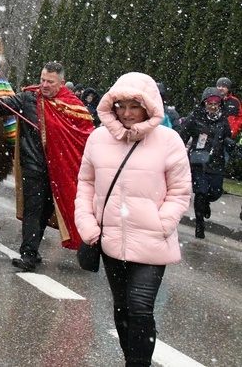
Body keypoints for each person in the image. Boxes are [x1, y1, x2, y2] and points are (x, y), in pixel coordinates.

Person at [74, 72, 191, 366]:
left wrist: (161, 224)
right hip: (111, 241)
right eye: (121, 105)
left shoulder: (169, 140)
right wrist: (88, 225)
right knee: (122, 309)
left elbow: (180, 191)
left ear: (148, 107)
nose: (126, 113)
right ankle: (133, 360)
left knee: (140, 307)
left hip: (152, 242)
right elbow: (85, 184)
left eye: (134, 106)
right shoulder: (98, 138)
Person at [0, 61, 94, 271]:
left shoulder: (72, 106)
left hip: (59, 171)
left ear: (62, 83)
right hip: (34, 167)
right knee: (33, 210)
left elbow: (84, 136)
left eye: (50, 82)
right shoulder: (29, 98)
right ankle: (28, 254)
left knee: (45, 211)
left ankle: (34, 250)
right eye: (42, 80)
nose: (44, 85)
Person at [178, 87, 236, 238]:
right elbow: (183, 135)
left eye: (215, 103)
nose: (212, 106)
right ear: (204, 103)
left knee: (215, 192)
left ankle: (205, 204)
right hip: (199, 162)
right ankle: (199, 224)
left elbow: (226, 136)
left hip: (216, 162)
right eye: (209, 103)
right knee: (201, 192)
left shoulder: (222, 120)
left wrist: (230, 143)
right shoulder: (196, 117)